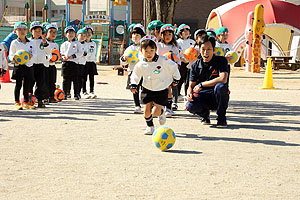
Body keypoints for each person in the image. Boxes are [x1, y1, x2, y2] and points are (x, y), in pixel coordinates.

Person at [129, 35, 180, 135]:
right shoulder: (140, 64)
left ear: (156, 50)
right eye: (146, 51)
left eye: (151, 50)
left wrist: (176, 78)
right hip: (147, 88)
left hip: (161, 89)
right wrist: (133, 84)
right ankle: (150, 127)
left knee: (155, 112)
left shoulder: (163, 60)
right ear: (141, 51)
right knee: (146, 111)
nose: (149, 53)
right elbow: (136, 74)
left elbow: (173, 67)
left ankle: (161, 113)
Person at [186, 35, 229, 128]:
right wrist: (189, 94)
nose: (205, 52)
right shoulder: (195, 65)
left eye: (209, 49)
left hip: (216, 96)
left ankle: (221, 118)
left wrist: (202, 84)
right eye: (203, 49)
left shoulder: (221, 61)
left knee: (220, 87)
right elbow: (191, 85)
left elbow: (223, 78)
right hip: (203, 97)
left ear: (213, 49)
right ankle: (204, 115)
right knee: (190, 106)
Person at [9, 22, 35, 110]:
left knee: (27, 85)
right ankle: (17, 101)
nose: (22, 31)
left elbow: (34, 52)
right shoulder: (14, 43)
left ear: (27, 31)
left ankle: (26, 101)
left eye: (24, 29)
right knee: (18, 84)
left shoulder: (31, 42)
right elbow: (11, 55)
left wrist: (31, 55)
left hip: (28, 66)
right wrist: (13, 59)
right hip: (19, 66)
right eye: (19, 29)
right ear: (15, 32)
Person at [120, 24, 146, 114]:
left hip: (144, 71)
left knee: (146, 88)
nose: (135, 37)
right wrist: (124, 59)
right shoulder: (129, 48)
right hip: (133, 71)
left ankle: (147, 104)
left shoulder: (145, 47)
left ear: (142, 36)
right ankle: (137, 105)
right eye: (133, 35)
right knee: (134, 88)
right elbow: (124, 61)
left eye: (137, 35)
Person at [157, 24, 181, 116]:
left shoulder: (174, 48)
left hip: (169, 71)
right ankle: (159, 107)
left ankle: (168, 108)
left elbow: (178, 60)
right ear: (161, 35)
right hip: (158, 70)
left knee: (168, 89)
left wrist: (175, 70)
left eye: (169, 34)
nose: (167, 37)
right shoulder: (158, 46)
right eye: (165, 34)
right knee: (158, 89)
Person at [29, 21, 52, 108]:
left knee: (40, 83)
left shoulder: (43, 41)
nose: (38, 33)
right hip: (31, 64)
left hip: (41, 65)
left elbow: (48, 51)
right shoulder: (29, 41)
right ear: (31, 31)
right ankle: (29, 99)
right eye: (36, 31)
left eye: (39, 31)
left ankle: (40, 100)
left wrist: (45, 44)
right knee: (30, 82)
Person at [60, 26, 83, 100]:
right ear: (66, 34)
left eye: (72, 32)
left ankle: (77, 94)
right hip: (66, 63)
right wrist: (63, 57)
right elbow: (61, 53)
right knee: (66, 79)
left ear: (75, 34)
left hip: (74, 63)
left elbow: (80, 52)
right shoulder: (64, 44)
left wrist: (73, 56)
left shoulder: (77, 43)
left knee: (75, 79)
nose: (71, 34)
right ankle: (65, 93)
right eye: (69, 32)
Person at [176, 24, 195, 97]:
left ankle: (187, 93)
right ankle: (177, 93)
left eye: (187, 30)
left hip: (190, 63)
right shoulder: (178, 42)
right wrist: (182, 59)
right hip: (182, 63)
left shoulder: (192, 42)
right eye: (184, 31)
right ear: (180, 33)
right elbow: (177, 52)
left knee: (188, 79)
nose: (186, 32)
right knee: (180, 78)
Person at [83, 25, 98, 99]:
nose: (89, 34)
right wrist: (86, 55)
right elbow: (83, 53)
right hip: (84, 62)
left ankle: (92, 91)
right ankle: (84, 91)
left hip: (92, 62)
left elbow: (93, 53)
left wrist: (87, 55)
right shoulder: (82, 43)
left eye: (90, 32)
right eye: (87, 32)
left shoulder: (93, 43)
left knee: (91, 78)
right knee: (84, 78)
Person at [45, 23, 59, 103]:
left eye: (55, 32)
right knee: (44, 82)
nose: (53, 34)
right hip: (45, 65)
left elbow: (57, 55)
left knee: (52, 82)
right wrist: (48, 59)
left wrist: (55, 59)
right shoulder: (43, 42)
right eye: (51, 31)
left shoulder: (56, 44)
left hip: (52, 66)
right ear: (46, 32)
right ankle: (44, 97)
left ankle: (51, 96)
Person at [76, 28, 89, 99]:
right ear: (77, 35)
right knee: (75, 78)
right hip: (75, 63)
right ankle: (70, 92)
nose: (83, 37)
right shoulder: (75, 43)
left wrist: (84, 54)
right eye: (81, 35)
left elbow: (87, 53)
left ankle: (79, 92)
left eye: (84, 36)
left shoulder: (86, 44)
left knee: (81, 78)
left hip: (82, 63)